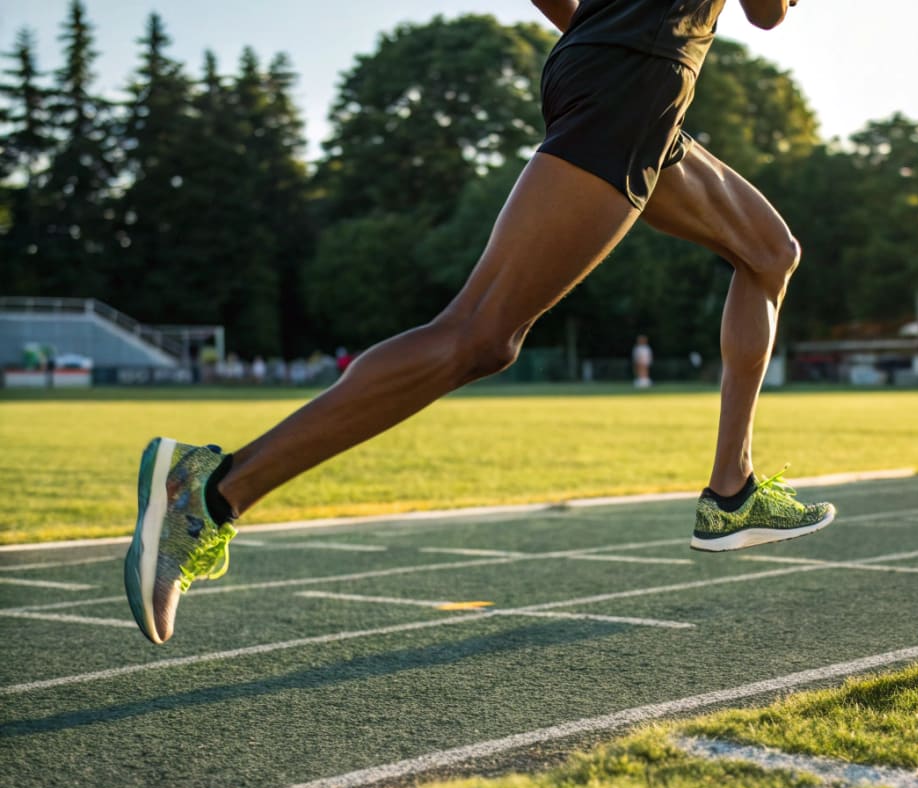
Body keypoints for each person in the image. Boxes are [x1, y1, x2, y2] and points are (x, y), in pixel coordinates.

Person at [123, 0, 836, 646]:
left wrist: (598, 32)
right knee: (480, 336)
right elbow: (767, 13)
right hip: (632, 79)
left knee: (770, 252)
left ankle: (731, 492)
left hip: (630, 79)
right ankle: (211, 492)